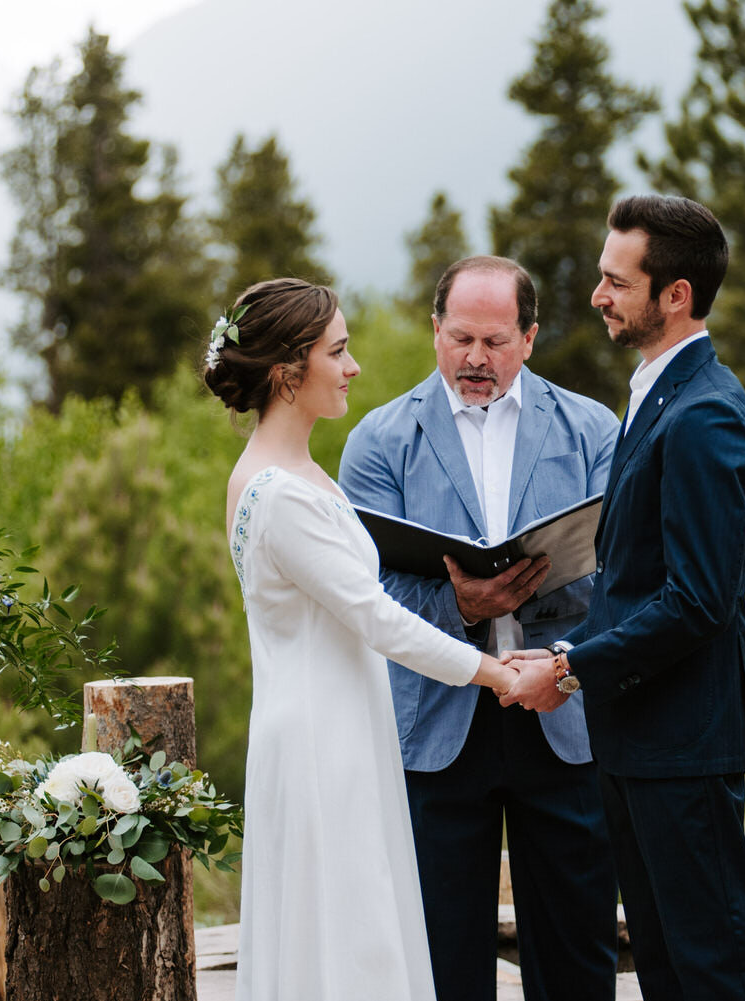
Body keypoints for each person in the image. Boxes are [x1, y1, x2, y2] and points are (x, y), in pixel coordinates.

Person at [211, 277, 520, 1001]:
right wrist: (498, 674)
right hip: (325, 741)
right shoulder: (281, 493)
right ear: (289, 370)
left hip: (336, 724)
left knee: (354, 929)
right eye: (338, 351)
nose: (353, 368)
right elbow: (379, 619)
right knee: (351, 938)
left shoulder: (287, 472)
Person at [500, 195, 745, 1000]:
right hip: (638, 744)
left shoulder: (706, 416)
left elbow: (697, 599)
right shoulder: (657, 395)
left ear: (676, 295)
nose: (598, 295)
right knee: (664, 971)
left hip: (683, 749)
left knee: (713, 973)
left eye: (617, 281)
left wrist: (572, 665)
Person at [340, 256, 620, 1001]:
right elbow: (362, 592)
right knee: (438, 958)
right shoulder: (378, 440)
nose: (475, 358)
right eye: (460, 336)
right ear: (435, 331)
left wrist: (563, 646)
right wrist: (462, 607)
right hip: (435, 724)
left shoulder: (595, 429)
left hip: (563, 713)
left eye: (495, 341)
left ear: (530, 338)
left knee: (576, 953)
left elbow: (625, 576)